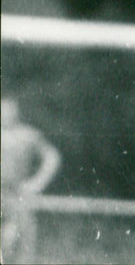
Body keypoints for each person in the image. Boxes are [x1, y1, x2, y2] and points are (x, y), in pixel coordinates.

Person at [1, 98, 61, 265]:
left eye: (9, 109)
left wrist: (37, 182)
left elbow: (52, 157)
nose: (5, 113)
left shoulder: (27, 135)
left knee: (21, 244)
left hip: (17, 195)